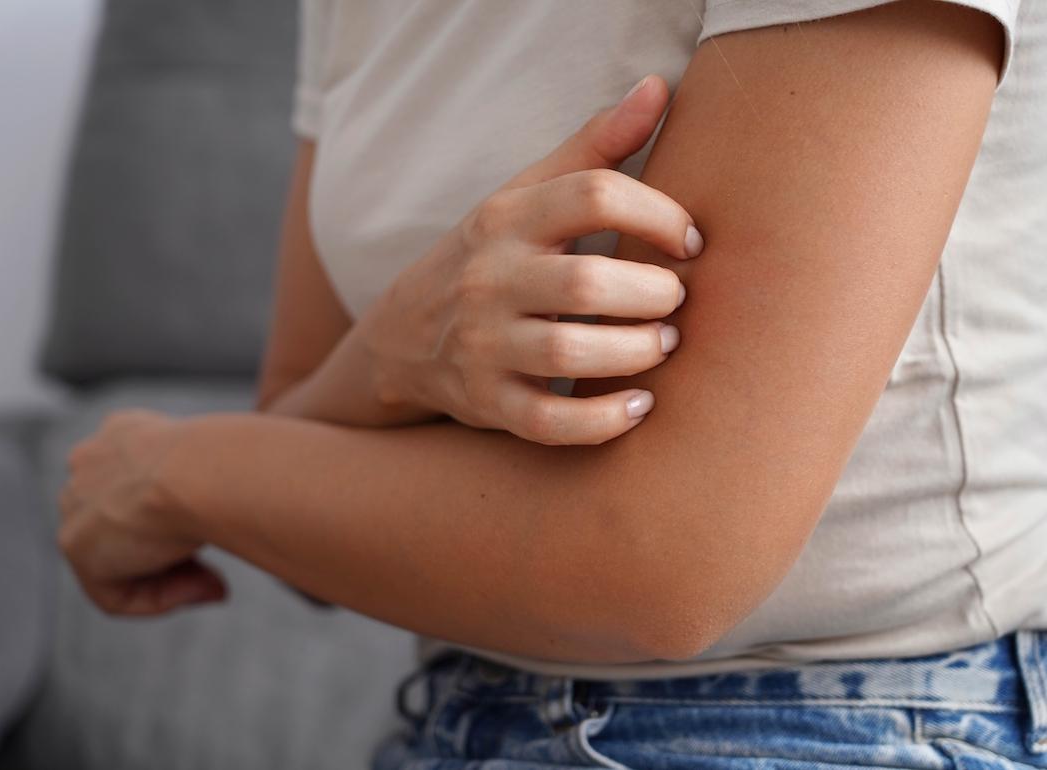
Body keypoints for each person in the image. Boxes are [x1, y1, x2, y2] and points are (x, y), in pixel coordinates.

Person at [57, 1, 1047, 767]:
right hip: (454, 711)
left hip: (850, 719)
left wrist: (171, 467)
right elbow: (306, 509)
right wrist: (396, 348)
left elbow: (660, 562)